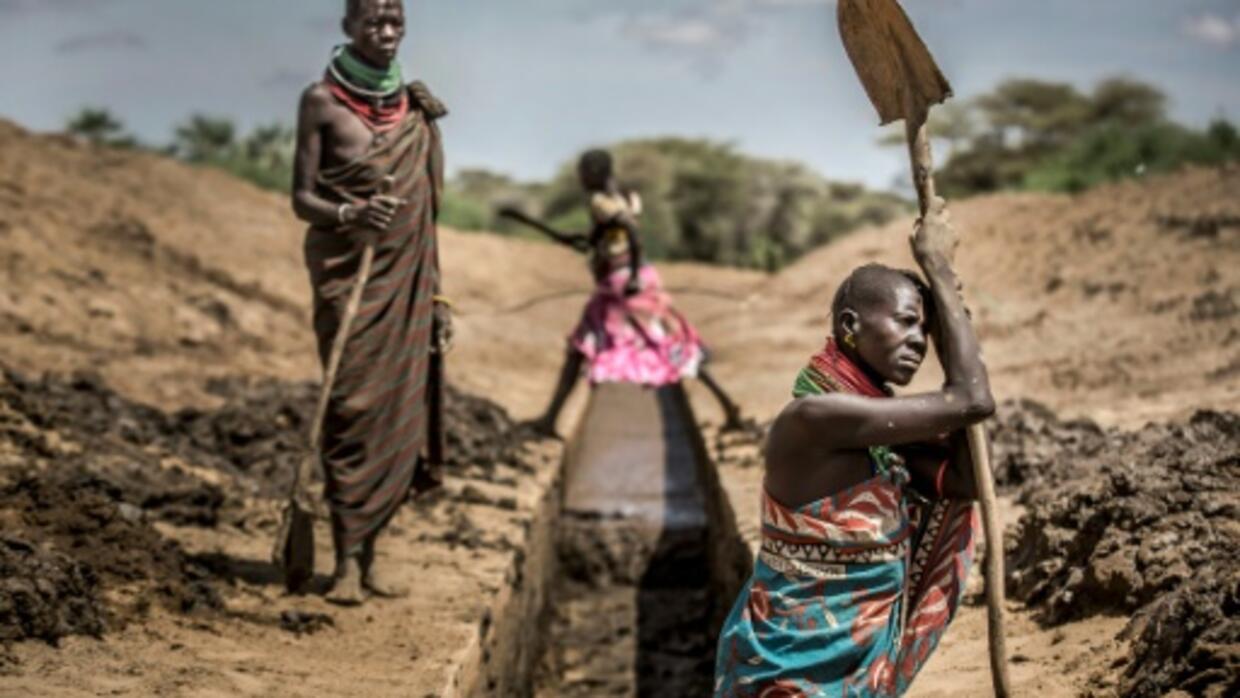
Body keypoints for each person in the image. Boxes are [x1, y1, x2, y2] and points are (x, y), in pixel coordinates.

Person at [714, 198, 993, 696]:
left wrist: (953, 334)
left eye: (925, 331)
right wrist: (940, 271)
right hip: (792, 671)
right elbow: (971, 400)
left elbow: (965, 481)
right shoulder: (818, 418)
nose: (919, 341)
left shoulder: (879, 435)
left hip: (849, 662)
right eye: (906, 322)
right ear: (850, 327)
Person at [291, 0, 451, 606]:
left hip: (406, 283)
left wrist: (437, 296)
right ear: (348, 28)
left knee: (397, 414)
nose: (386, 33)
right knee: (353, 408)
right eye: (373, 22)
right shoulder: (320, 102)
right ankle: (343, 562)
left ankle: (373, 554)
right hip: (347, 279)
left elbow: (428, 219)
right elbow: (301, 197)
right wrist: (349, 213)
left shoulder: (417, 112)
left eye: (395, 22)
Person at [516, 149, 745, 438]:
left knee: (580, 347)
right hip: (641, 279)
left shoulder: (599, 201)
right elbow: (616, 233)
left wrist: (633, 276)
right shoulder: (626, 196)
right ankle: (727, 404)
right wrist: (584, 240)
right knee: (666, 342)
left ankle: (550, 420)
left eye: (583, 172)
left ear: (594, 173)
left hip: (621, 285)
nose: (581, 179)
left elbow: (630, 234)